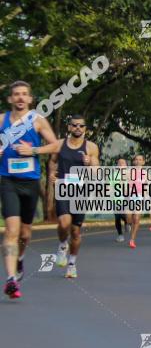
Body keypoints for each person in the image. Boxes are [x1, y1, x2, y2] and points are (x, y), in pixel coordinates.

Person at [1, 81, 62, 298]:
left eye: (24, 94)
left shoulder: (37, 120)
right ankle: (10, 280)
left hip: (30, 183)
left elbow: (57, 145)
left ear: (29, 99)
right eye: (16, 94)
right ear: (10, 99)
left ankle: (19, 258)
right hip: (8, 181)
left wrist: (33, 150)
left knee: (25, 234)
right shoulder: (1, 120)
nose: (19, 98)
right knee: (11, 231)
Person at [48, 115, 99, 279]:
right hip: (63, 188)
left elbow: (96, 170)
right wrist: (51, 174)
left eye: (81, 126)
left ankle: (72, 264)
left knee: (76, 232)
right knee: (64, 223)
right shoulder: (60, 144)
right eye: (74, 125)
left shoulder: (91, 147)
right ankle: (63, 245)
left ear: (85, 129)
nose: (78, 128)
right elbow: (53, 161)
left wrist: (88, 164)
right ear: (69, 127)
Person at [127, 154, 146, 248]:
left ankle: (132, 239)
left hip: (139, 196)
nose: (138, 161)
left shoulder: (146, 173)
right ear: (134, 162)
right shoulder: (129, 172)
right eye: (136, 160)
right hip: (130, 196)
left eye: (140, 159)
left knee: (137, 219)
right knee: (129, 217)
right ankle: (129, 224)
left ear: (143, 162)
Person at [111, 158, 128, 243]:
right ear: (117, 166)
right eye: (119, 163)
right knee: (117, 216)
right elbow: (109, 187)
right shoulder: (113, 175)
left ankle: (127, 222)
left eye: (123, 163)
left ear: (126, 165)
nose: (121, 164)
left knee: (124, 215)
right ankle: (120, 235)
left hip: (127, 199)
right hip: (116, 199)